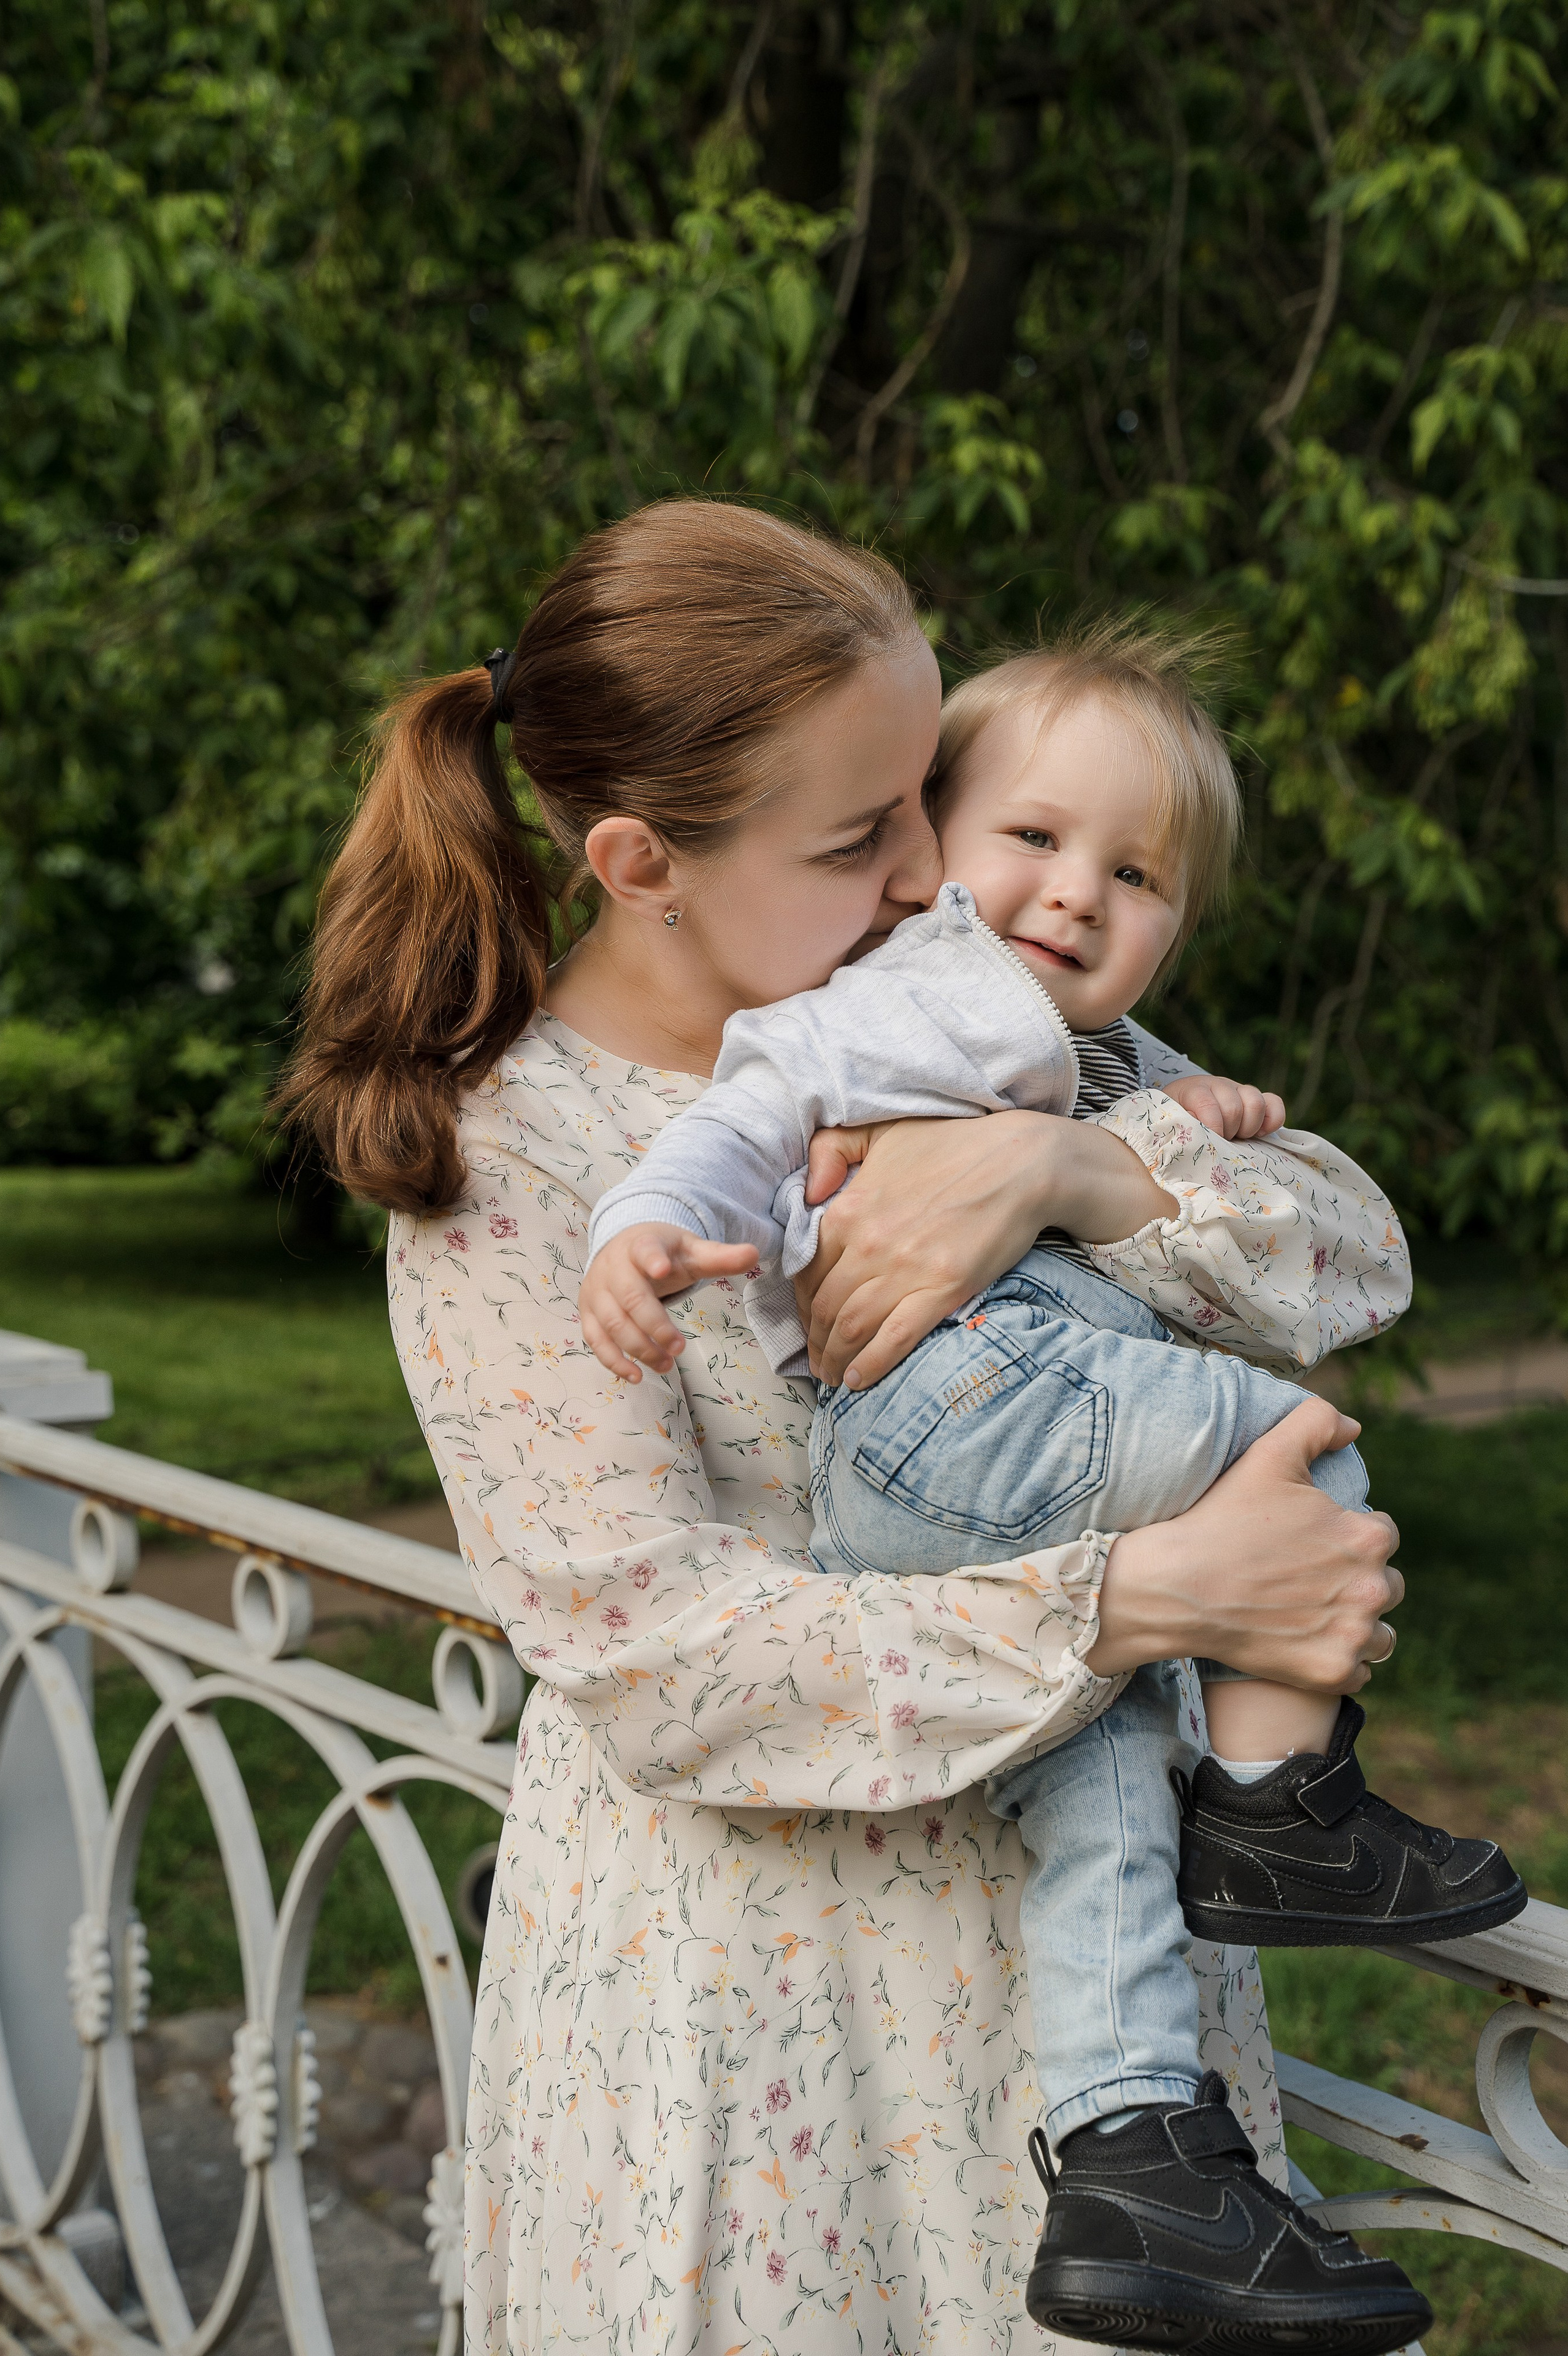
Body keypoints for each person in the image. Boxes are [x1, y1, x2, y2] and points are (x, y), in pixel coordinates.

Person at [284, 499, 1415, 2354]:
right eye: (861, 833)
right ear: (643, 861)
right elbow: (654, 1655)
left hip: (1096, 1966)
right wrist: (1155, 1600)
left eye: (924, 800)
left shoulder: (956, 1019)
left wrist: (1054, 1172)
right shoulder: (523, 1159)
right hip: (761, 2002)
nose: (926, 871)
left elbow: (1351, 1254)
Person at [578, 625, 1523, 2347]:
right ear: (925, 844)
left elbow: (1355, 1252)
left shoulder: (1099, 1052)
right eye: (1033, 836)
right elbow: (745, 1111)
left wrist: (1142, 1125)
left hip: (985, 1512)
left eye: (1138, 875)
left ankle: (1130, 2160)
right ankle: (1281, 1810)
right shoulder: (911, 993)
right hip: (956, 1420)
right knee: (1295, 1444)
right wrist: (640, 1228)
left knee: (1109, 1800)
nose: (1080, 892)